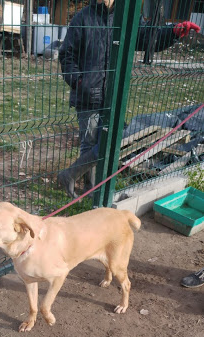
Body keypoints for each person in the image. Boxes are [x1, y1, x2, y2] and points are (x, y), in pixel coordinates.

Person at [58, 0, 201, 199]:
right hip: (87, 95)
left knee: (111, 141)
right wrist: (79, 82)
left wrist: (173, 32)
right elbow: (67, 54)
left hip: (114, 93)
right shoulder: (83, 18)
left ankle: (70, 176)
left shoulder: (127, 18)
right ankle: (90, 190)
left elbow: (147, 38)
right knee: (89, 142)